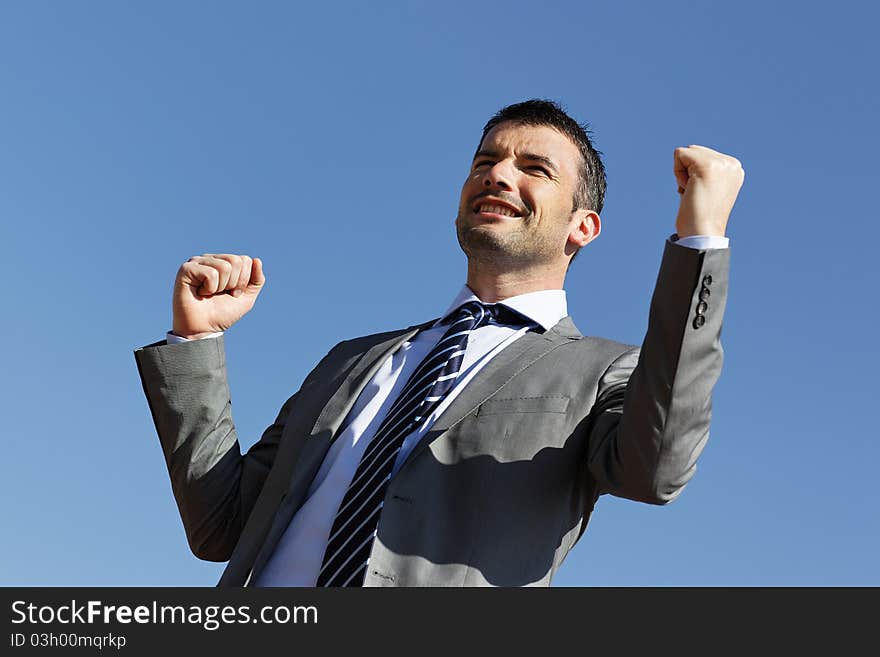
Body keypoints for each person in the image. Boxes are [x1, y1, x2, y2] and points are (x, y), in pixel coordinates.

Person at [134, 99, 744, 587]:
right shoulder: (352, 360)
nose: (498, 174)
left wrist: (700, 242)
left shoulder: (603, 372)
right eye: (485, 162)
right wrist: (197, 339)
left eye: (535, 168)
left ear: (582, 228)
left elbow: (657, 470)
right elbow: (222, 528)